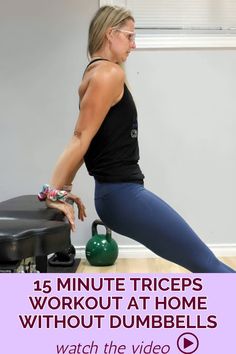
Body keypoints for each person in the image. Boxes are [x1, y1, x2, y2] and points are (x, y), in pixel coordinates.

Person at [39, 5, 235, 273]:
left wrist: (62, 189)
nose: (134, 44)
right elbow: (80, 138)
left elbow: (85, 140)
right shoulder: (108, 74)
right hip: (122, 197)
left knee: (202, 262)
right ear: (111, 34)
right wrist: (54, 192)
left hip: (118, 195)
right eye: (130, 36)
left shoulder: (96, 73)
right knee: (206, 263)